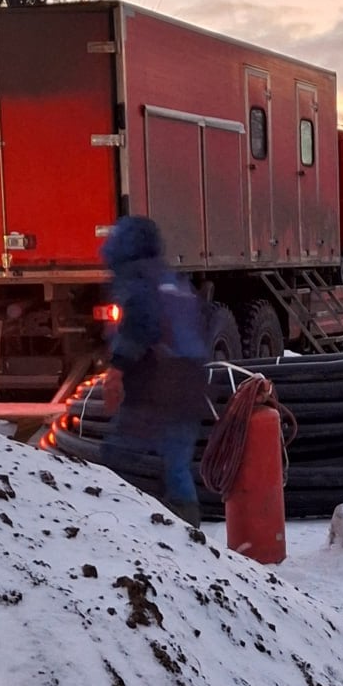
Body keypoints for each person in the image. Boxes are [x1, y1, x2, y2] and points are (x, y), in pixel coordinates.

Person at [100, 215, 208, 528]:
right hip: (191, 383)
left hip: (158, 384)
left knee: (117, 458)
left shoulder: (136, 277)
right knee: (177, 465)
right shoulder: (172, 278)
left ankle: (114, 526)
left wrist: (117, 369)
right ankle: (191, 532)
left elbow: (141, 324)